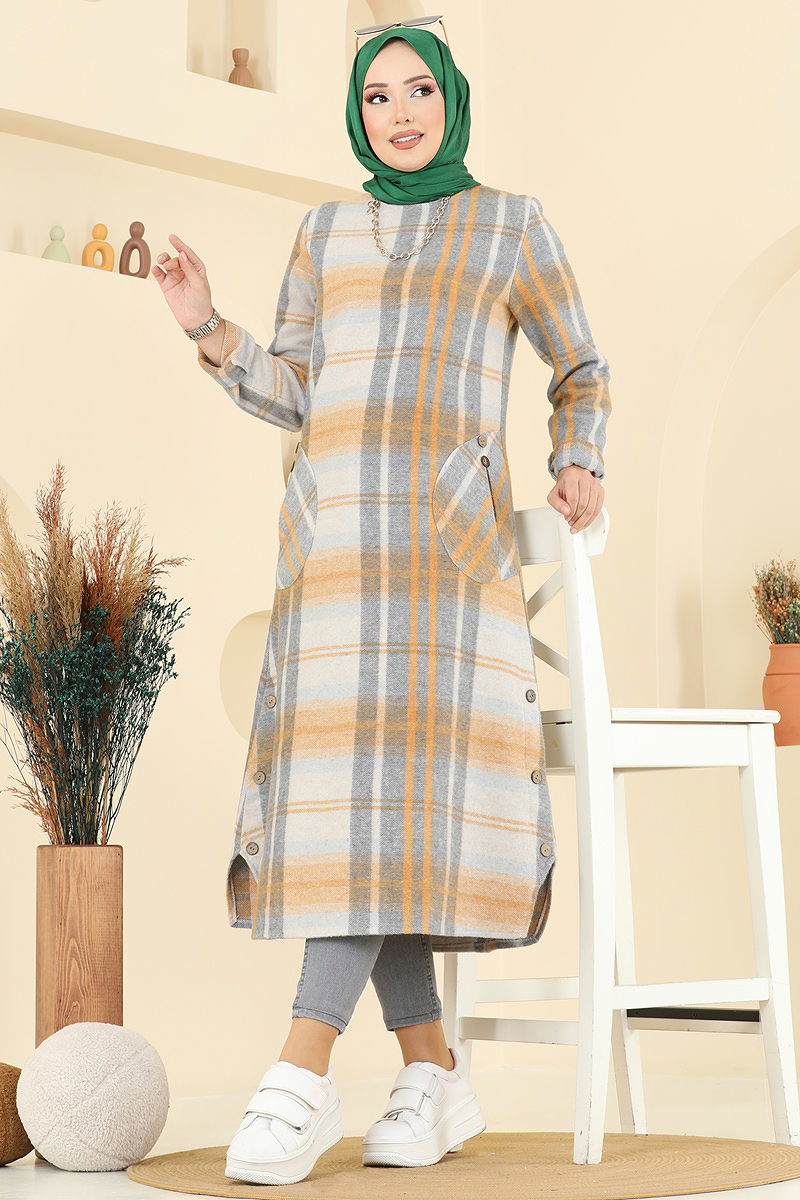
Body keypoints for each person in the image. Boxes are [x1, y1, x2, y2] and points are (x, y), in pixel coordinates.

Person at [153, 19, 611, 1188]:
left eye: (416, 91)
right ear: (357, 117)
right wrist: (204, 321)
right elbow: (292, 391)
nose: (398, 114)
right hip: (333, 563)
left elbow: (579, 367)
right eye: (375, 98)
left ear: (450, 99)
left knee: (379, 814)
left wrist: (577, 457)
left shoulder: (510, 225)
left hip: (446, 571)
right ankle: (431, 1071)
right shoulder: (323, 232)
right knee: (361, 815)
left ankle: (297, 1072)